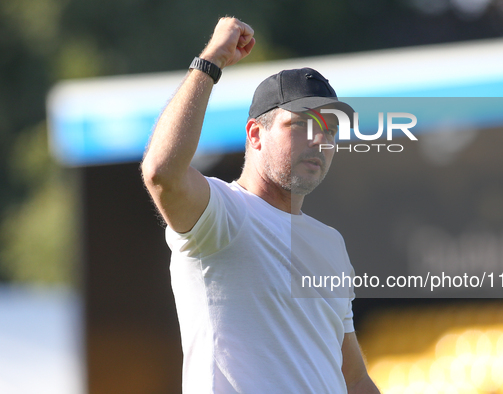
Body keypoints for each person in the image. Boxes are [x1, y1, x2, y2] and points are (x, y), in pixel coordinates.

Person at [141, 17, 380, 394]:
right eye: (301, 123)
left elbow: (353, 378)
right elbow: (161, 174)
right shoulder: (224, 214)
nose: (320, 139)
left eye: (330, 129)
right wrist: (211, 61)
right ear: (256, 134)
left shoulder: (330, 243)